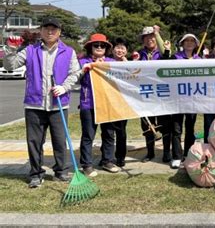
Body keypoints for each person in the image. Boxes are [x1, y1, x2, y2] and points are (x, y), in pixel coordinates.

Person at [4, 17, 81, 188]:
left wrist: (65, 87)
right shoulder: (30, 50)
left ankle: (61, 171)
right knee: (34, 142)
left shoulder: (68, 52)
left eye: (54, 29)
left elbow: (75, 73)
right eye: (46, 28)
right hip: (34, 105)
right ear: (41, 31)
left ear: (59, 32)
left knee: (60, 140)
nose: (50, 32)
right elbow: (10, 66)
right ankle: (36, 173)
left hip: (58, 104)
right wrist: (11, 49)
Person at [79, 33, 119, 176]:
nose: (99, 47)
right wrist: (86, 69)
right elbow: (76, 77)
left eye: (103, 45)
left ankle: (107, 160)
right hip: (88, 103)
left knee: (109, 133)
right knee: (88, 135)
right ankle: (87, 164)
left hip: (107, 104)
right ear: (90, 47)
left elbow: (123, 76)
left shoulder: (111, 62)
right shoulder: (83, 62)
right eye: (96, 45)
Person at [162, 33, 201, 168]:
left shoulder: (200, 59)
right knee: (176, 129)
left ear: (196, 44)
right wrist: (167, 51)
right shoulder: (175, 58)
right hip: (177, 99)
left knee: (190, 128)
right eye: (186, 41)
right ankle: (177, 156)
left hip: (193, 99)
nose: (189, 43)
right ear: (182, 43)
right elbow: (163, 65)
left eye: (192, 41)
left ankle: (187, 155)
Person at [136, 26, 172, 163]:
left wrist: (165, 47)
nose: (150, 39)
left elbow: (168, 58)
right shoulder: (139, 55)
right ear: (143, 40)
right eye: (146, 37)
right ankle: (150, 152)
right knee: (147, 125)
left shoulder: (163, 52)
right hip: (145, 94)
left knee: (165, 124)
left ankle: (166, 153)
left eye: (152, 37)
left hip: (162, 94)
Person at [109, 37, 130, 167]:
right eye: (117, 47)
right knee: (108, 131)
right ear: (112, 50)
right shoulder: (106, 62)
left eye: (122, 48)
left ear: (126, 51)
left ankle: (120, 157)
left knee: (121, 131)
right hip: (108, 101)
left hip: (123, 103)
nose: (120, 50)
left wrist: (127, 64)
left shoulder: (130, 64)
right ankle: (107, 157)